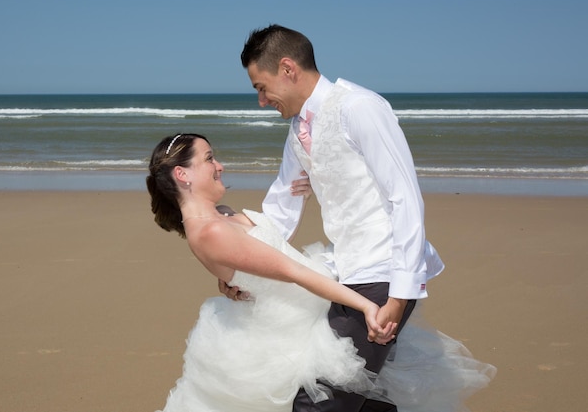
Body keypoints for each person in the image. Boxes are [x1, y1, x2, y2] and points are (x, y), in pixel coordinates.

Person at [233, 24, 448, 411]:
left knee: (319, 401)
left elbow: (405, 200)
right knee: (367, 402)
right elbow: (279, 209)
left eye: (261, 87)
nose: (262, 101)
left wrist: (400, 296)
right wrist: (238, 269)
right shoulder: (298, 130)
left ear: (287, 68)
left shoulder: (359, 108)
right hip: (347, 274)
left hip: (383, 274)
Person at [147, 133, 400, 412]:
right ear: (182, 174)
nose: (220, 166)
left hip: (304, 315)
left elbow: (270, 245)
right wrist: (365, 305)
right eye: (209, 159)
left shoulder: (221, 216)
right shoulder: (211, 231)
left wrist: (300, 195)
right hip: (292, 335)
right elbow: (294, 271)